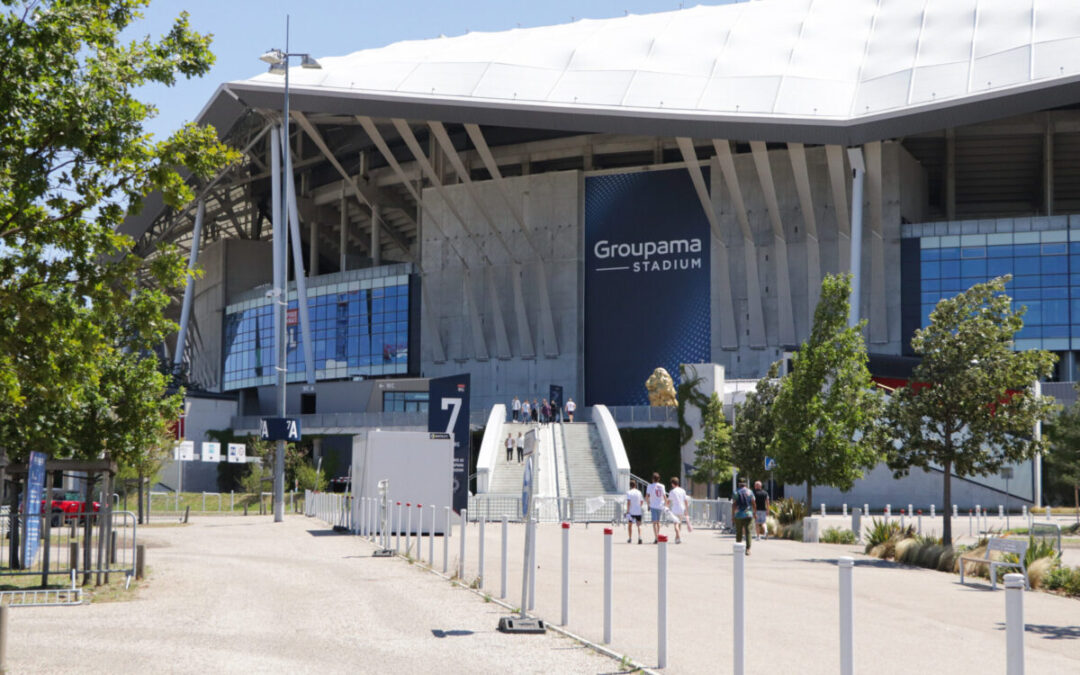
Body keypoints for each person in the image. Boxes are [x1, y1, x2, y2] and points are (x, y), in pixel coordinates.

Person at [734, 478, 756, 555]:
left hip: (739, 514)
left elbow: (734, 504)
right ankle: (748, 549)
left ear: (739, 484)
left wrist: (732, 515)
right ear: (745, 484)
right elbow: (753, 502)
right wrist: (754, 513)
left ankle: (738, 548)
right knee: (748, 532)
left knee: (739, 532)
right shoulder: (750, 492)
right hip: (748, 514)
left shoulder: (736, 492)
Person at [647, 472, 667, 543]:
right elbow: (664, 496)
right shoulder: (662, 486)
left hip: (653, 505)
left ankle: (656, 537)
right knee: (658, 522)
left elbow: (647, 496)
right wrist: (666, 505)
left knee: (654, 523)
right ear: (658, 479)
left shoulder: (650, 486)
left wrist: (648, 504)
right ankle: (657, 535)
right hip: (660, 505)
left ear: (652, 479)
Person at [668, 477, 688, 544]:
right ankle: (676, 538)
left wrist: (666, 507)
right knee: (679, 524)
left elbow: (669, 501)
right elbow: (685, 501)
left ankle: (678, 537)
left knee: (676, 524)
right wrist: (686, 509)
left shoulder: (672, 491)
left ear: (673, 484)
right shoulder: (683, 491)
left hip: (675, 509)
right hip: (682, 508)